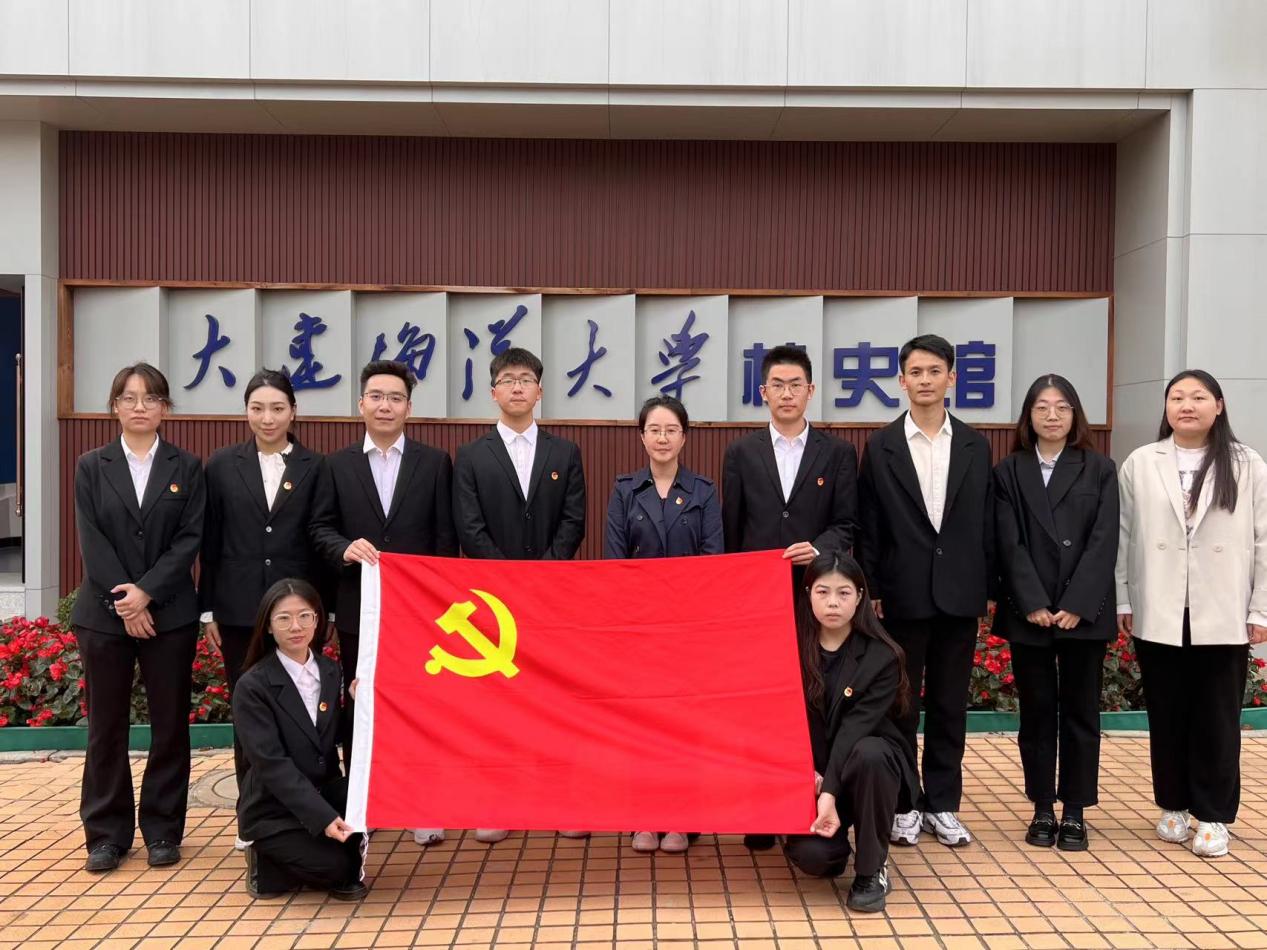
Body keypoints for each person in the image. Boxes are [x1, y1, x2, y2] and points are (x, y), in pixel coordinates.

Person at [1116, 369, 1267, 859]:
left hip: (1222, 608)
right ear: (1166, 408)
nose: (1187, 405)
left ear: (1218, 406)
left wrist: (1260, 608)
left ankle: (1215, 815)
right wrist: (1123, 599)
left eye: (1199, 397)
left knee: (1217, 716)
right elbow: (1123, 536)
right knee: (1167, 712)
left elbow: (1264, 540)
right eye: (1177, 397)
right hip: (1159, 605)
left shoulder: (1246, 463)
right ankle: (1174, 805)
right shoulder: (1142, 462)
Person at [309, 359, 458, 848]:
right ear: (361, 404)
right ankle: (365, 804)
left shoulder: (434, 463)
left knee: (421, 706)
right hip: (360, 610)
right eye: (376, 396)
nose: (385, 406)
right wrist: (343, 548)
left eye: (395, 398)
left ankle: (423, 806)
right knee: (362, 704)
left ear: (409, 407)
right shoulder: (337, 465)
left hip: (418, 613)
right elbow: (319, 528)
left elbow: (445, 540)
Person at [856, 333, 992, 849]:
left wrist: (989, 586)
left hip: (959, 594)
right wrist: (871, 587)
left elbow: (986, 523)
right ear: (902, 380)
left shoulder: (976, 445)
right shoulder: (882, 445)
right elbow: (870, 523)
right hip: (902, 594)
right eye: (916, 372)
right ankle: (905, 803)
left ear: (951, 378)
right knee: (901, 705)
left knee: (951, 705)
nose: (926, 380)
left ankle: (943, 804)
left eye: (935, 371)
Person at [721, 345, 858, 851]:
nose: (786, 393)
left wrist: (818, 549)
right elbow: (732, 530)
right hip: (757, 603)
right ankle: (761, 810)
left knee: (810, 700)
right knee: (759, 704)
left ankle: (812, 799)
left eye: (795, 384)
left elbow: (847, 523)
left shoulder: (837, 453)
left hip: (815, 598)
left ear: (810, 390)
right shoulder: (741, 453)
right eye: (777, 384)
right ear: (763, 392)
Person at [71, 363, 205, 873]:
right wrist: (126, 603)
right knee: (106, 726)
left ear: (165, 408)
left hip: (169, 615)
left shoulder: (186, 467)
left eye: (150, 398)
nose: (140, 407)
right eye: (129, 398)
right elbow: (92, 540)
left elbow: (189, 539)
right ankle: (106, 835)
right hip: (104, 617)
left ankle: (163, 830)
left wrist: (147, 593)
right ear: (115, 407)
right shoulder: (91, 465)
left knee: (169, 725)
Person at [453, 346, 586, 844]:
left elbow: (573, 519)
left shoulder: (564, 453)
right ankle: (499, 802)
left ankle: (560, 801)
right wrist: (506, 580)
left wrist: (544, 575)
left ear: (539, 390)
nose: (517, 387)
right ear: (493, 392)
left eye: (525, 379)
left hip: (553, 598)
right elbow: (469, 526)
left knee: (555, 700)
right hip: (493, 600)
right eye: (508, 379)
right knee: (498, 703)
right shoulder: (471, 456)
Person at [992, 375, 1118, 851]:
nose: (1052, 415)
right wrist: (1033, 602)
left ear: (1075, 415)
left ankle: (1076, 811)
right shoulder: (1009, 471)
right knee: (1037, 713)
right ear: (1028, 416)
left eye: (1062, 407)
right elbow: (1007, 541)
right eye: (1042, 407)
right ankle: (1043, 806)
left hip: (1082, 614)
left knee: (1082, 714)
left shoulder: (1099, 468)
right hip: (1032, 614)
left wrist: (1076, 604)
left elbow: (1104, 539)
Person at [605, 394, 722, 854]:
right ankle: (643, 816)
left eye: (671, 430)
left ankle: (681, 817)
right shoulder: (625, 491)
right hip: (639, 629)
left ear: (684, 437)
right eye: (654, 429)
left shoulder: (703, 492)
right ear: (642, 436)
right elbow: (615, 562)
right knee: (641, 723)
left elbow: (713, 559)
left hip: (688, 629)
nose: (662, 438)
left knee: (684, 724)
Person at [200, 369, 326, 787]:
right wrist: (207, 609)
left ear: (293, 411)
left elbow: (320, 538)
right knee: (248, 705)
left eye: (277, 408)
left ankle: (303, 799)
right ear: (246, 412)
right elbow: (210, 541)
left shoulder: (316, 466)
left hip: (298, 610)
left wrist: (326, 611)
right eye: (257, 408)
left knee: (300, 703)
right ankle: (252, 802)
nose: (267, 418)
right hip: (239, 608)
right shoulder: (222, 465)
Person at [784, 552, 918, 914]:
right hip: (811, 774)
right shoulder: (788, 647)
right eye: (823, 591)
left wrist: (828, 791)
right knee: (816, 858)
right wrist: (801, 774)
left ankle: (872, 871)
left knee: (870, 753)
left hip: (866, 769)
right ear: (808, 594)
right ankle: (836, 841)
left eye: (844, 593)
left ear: (860, 596)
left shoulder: (882, 656)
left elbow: (854, 728)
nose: (832, 603)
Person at [232, 578, 367, 900]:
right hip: (274, 806)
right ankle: (263, 859)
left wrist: (356, 705)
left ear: (317, 620)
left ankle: (311, 849)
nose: (296, 626)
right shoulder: (252, 686)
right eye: (284, 618)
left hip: (323, 790)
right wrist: (323, 818)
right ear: (268, 626)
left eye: (305, 616)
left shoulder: (330, 670)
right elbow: (271, 764)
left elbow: (329, 735)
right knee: (338, 868)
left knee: (356, 838)